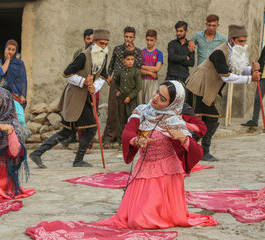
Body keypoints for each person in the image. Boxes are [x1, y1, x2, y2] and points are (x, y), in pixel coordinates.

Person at [97, 81, 217, 229]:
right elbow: (128, 132)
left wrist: (182, 138)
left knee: (141, 221)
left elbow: (197, 151)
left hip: (166, 176)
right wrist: (137, 140)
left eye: (162, 98)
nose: (155, 98)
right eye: (157, 92)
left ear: (172, 104)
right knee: (133, 219)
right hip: (143, 171)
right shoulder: (142, 111)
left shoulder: (174, 120)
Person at [29, 29, 110, 168]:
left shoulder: (104, 55)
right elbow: (67, 73)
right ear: (94, 42)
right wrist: (83, 82)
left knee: (69, 131)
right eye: (101, 43)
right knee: (89, 128)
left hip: (86, 98)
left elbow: (102, 76)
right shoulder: (83, 56)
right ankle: (77, 160)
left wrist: (94, 87)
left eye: (106, 44)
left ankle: (38, 153)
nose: (103, 47)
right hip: (74, 98)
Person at [186, 24, 260, 161]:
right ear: (231, 40)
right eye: (240, 41)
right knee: (210, 119)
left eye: (245, 41)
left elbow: (239, 68)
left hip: (209, 89)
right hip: (199, 87)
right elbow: (226, 76)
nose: (243, 44)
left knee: (207, 121)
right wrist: (250, 78)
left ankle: (192, 148)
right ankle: (195, 148)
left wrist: (251, 69)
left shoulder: (234, 51)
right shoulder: (219, 52)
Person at [103, 26, 142, 148]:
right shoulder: (117, 49)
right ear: (123, 36)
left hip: (130, 84)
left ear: (134, 38)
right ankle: (109, 137)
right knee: (113, 109)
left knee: (129, 112)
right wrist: (109, 75)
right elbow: (111, 64)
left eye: (131, 37)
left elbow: (139, 66)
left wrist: (131, 51)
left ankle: (128, 137)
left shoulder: (137, 52)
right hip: (117, 82)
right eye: (126, 36)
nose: (128, 39)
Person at [70, 28, 95, 154]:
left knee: (91, 116)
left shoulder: (97, 54)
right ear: (84, 39)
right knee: (80, 116)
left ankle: (89, 145)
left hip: (92, 88)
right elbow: (73, 70)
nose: (90, 41)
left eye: (92, 39)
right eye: (88, 38)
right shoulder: (78, 53)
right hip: (80, 88)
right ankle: (81, 145)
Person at [115, 50, 141, 149]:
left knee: (131, 119)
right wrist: (116, 91)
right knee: (121, 119)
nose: (130, 61)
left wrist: (130, 97)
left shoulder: (136, 72)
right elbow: (116, 83)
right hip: (121, 99)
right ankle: (122, 142)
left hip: (132, 99)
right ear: (123, 60)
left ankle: (132, 141)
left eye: (132, 59)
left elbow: (138, 87)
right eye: (128, 59)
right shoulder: (121, 72)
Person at [0, 39, 27, 108]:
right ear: (5, 49)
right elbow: (1, 73)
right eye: (9, 49)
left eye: (13, 50)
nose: (10, 51)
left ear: (16, 51)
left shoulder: (20, 63)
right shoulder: (0, 62)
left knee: (16, 114)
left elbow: (23, 80)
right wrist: (8, 60)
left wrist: (23, 95)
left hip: (17, 93)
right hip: (4, 92)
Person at [241, 45, 265, 127]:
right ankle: (255, 121)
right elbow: (261, 59)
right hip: (263, 77)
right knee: (258, 98)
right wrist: (256, 68)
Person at [140, 29, 163, 104]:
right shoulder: (141, 52)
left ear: (156, 40)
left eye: (151, 40)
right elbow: (138, 69)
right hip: (141, 80)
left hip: (153, 81)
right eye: (147, 40)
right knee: (140, 103)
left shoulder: (158, 53)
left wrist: (142, 66)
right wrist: (150, 73)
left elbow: (157, 69)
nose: (149, 42)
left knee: (150, 103)